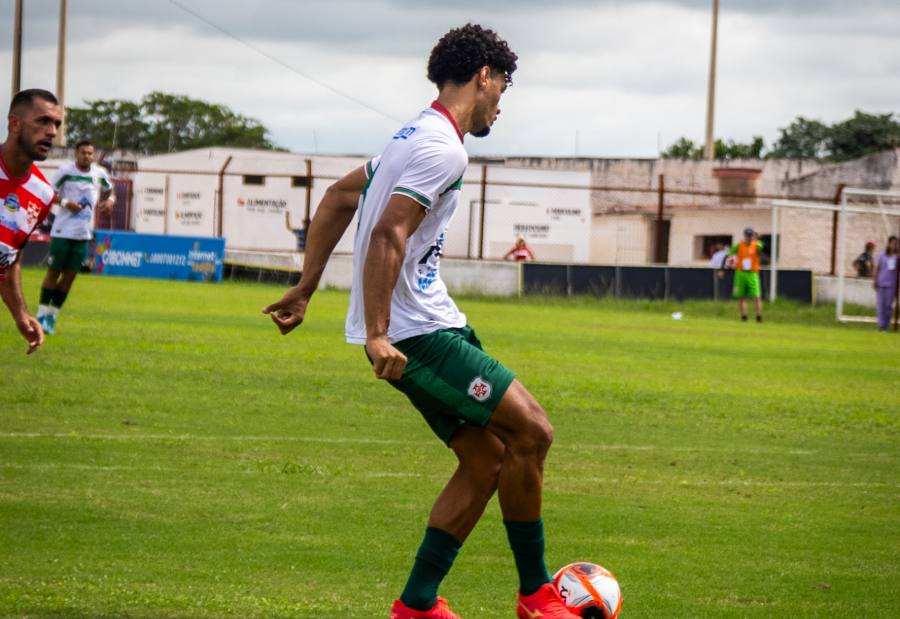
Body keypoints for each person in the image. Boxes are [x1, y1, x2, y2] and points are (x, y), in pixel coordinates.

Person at [263, 24, 582, 619]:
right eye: (502, 88)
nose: (501, 104)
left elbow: (337, 197)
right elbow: (389, 232)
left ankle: (415, 606)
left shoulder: (410, 136)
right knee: (534, 432)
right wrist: (378, 333)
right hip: (418, 336)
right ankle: (538, 595)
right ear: (483, 76)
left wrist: (308, 288)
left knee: (488, 458)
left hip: (430, 325)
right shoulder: (442, 147)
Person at [0, 89, 62, 354]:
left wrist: (20, 314)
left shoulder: (43, 194)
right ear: (15, 123)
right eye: (43, 121)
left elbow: (9, 258)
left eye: (56, 124)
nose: (52, 131)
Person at [36, 139, 114, 334]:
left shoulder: (99, 174)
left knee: (70, 275)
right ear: (76, 154)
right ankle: (41, 313)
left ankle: (52, 316)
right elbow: (49, 193)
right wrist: (66, 203)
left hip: (83, 233)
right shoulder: (66, 172)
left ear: (93, 156)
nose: (86, 156)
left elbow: (109, 190)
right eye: (83, 153)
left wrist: (111, 200)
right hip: (62, 231)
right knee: (54, 271)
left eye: (90, 153)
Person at [727, 227, 764, 322]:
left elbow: (761, 247)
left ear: (753, 236)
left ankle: (758, 316)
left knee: (757, 296)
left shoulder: (757, 245)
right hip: (741, 272)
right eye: (747, 236)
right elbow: (730, 253)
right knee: (741, 296)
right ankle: (744, 316)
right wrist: (731, 260)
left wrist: (757, 237)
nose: (749, 238)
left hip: (752, 273)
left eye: (750, 236)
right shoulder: (739, 245)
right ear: (744, 236)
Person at [873, 235, 898, 332]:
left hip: (891, 285)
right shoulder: (882, 255)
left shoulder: (897, 257)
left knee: (888, 306)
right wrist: (875, 280)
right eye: (892, 243)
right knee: (880, 305)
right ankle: (881, 325)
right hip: (881, 283)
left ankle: (886, 325)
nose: (894, 245)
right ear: (889, 243)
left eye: (895, 244)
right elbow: (877, 268)